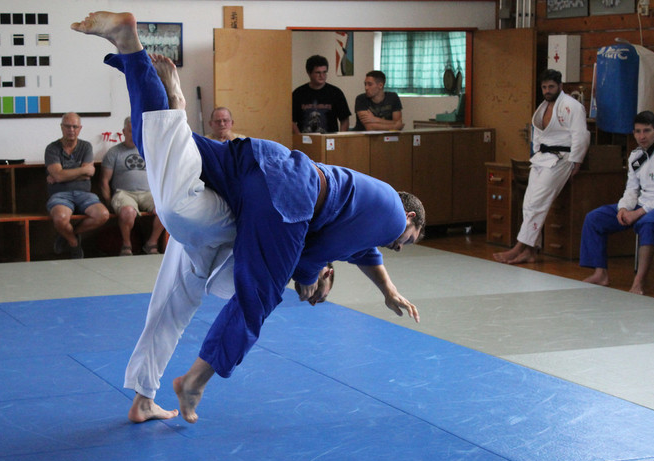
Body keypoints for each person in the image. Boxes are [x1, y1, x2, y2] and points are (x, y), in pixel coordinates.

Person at [72, 11, 424, 425]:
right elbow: (321, 249)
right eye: (409, 238)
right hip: (286, 194)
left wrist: (387, 289)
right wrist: (309, 274)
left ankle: (136, 59)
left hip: (254, 163)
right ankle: (195, 382)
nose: (399, 245)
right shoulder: (389, 215)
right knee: (257, 294)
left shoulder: (372, 212)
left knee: (160, 146)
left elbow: (363, 249)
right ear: (410, 216)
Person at [581, 111, 654, 295]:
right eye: (637, 131)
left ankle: (639, 282)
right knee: (595, 218)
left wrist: (638, 213)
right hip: (641, 203)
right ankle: (600, 273)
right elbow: (631, 189)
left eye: (646, 131)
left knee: (648, 222)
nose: (642, 136)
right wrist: (623, 208)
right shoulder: (636, 156)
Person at [493, 69, 590, 265]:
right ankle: (531, 251)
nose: (547, 90)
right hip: (541, 158)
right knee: (528, 203)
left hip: (562, 158)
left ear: (560, 86)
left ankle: (519, 247)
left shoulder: (572, 106)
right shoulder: (542, 107)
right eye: (544, 87)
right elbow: (536, 135)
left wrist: (576, 162)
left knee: (538, 202)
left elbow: (581, 135)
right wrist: (535, 153)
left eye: (551, 86)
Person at [45, 112, 110, 259]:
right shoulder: (52, 149)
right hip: (60, 195)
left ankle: (69, 234)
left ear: (80, 128)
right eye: (67, 126)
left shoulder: (86, 147)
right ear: (62, 127)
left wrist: (61, 175)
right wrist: (81, 171)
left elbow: (89, 174)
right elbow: (60, 175)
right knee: (61, 218)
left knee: (103, 215)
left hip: (85, 195)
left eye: (75, 126)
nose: (71, 130)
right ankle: (74, 243)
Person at [100, 116, 164, 256]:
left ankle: (151, 243)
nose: (134, 134)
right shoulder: (114, 152)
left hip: (148, 193)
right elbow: (104, 181)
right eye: (130, 131)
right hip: (124, 193)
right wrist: (108, 202)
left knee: (165, 209)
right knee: (128, 212)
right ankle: (127, 245)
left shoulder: (149, 150)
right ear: (124, 131)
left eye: (137, 131)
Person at [292, 55, 352, 134]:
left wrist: (340, 138)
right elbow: (291, 121)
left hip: (330, 141)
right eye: (318, 72)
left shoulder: (336, 93)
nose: (322, 76)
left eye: (324, 72)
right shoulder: (298, 93)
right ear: (309, 73)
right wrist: (299, 137)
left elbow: (344, 119)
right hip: (305, 141)